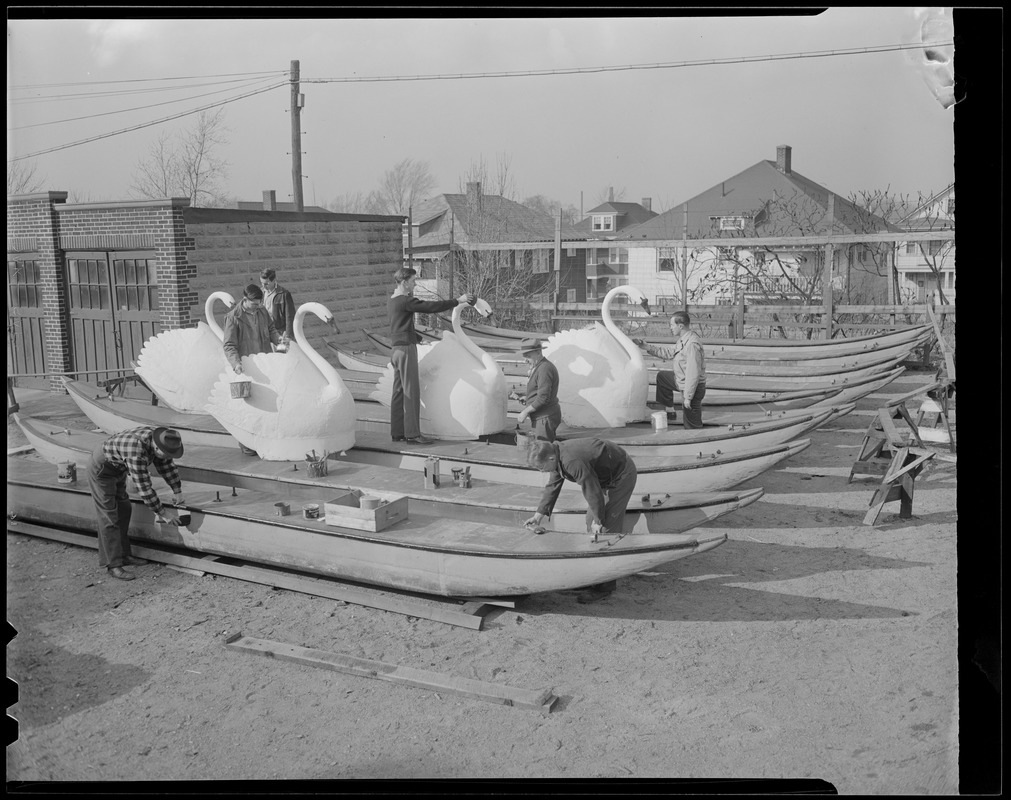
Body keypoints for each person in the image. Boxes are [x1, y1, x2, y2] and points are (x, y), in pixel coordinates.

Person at [522, 435, 638, 603]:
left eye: (541, 467)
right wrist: (539, 514)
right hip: (603, 476)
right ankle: (594, 577)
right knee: (589, 523)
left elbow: (592, 490)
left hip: (621, 475)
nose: (542, 471)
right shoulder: (555, 454)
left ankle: (604, 587)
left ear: (551, 458)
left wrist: (599, 520)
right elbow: (553, 485)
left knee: (605, 531)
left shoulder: (572, 461)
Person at [388, 267, 476, 445]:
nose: (415, 284)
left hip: (396, 350)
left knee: (398, 391)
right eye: (413, 281)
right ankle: (413, 434)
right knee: (411, 390)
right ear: (404, 282)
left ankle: (397, 432)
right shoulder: (405, 300)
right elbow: (430, 307)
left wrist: (418, 338)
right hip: (405, 350)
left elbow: (400, 325)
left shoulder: (392, 300)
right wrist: (457, 301)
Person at [87, 426, 185, 581]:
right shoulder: (136, 451)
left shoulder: (161, 441)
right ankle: (113, 565)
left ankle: (124, 554)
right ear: (156, 447)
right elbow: (144, 488)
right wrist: (163, 513)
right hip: (102, 470)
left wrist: (177, 490)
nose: (167, 457)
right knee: (109, 516)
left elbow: (166, 466)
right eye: (165, 454)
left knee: (124, 508)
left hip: (119, 467)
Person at [222, 284, 284, 455]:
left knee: (265, 403)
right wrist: (236, 364)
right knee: (248, 407)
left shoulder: (262, 312)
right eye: (254, 304)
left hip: (265, 364)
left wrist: (279, 340)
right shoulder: (232, 318)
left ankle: (264, 438)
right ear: (245, 300)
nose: (258, 307)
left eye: (259, 304)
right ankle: (246, 443)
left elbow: (271, 329)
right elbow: (228, 345)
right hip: (246, 368)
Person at [642, 310, 708, 429]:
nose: (670, 328)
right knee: (662, 377)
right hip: (681, 380)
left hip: (693, 387)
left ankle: (694, 440)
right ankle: (670, 410)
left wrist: (688, 397)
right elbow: (668, 352)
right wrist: (647, 347)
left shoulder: (692, 345)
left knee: (692, 424)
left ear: (680, 326)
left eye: (672, 325)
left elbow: (693, 374)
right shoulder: (683, 339)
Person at [515, 338, 562, 442]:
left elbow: (543, 398)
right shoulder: (540, 367)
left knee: (543, 452)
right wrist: (528, 399)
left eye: (528, 356)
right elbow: (540, 393)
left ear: (538, 352)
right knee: (543, 450)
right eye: (524, 356)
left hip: (545, 418)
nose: (525, 360)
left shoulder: (544, 368)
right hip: (542, 417)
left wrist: (525, 412)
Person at [260, 268, 296, 343]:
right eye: (262, 283)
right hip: (264, 332)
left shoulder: (284, 294)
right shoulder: (260, 293)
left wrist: (288, 335)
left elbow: (290, 316)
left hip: (279, 332)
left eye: (266, 283)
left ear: (274, 280)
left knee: (281, 353)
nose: (263, 286)